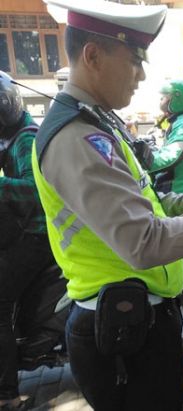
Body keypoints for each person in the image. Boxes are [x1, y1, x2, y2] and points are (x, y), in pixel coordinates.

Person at [32, 1, 183, 409]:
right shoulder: (78, 138)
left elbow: (149, 201)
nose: (142, 75)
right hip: (122, 332)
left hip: (138, 321)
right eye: (134, 60)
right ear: (93, 56)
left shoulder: (98, 123)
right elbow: (144, 242)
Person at [0, 71, 55, 411]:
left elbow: (36, 191)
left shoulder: (25, 138)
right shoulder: (11, 134)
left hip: (38, 233)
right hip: (24, 229)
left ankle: (6, 394)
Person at [145, 79, 183, 193]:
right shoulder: (179, 120)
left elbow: (171, 156)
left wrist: (144, 163)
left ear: (176, 99)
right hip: (176, 187)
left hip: (182, 190)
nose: (161, 100)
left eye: (165, 97)